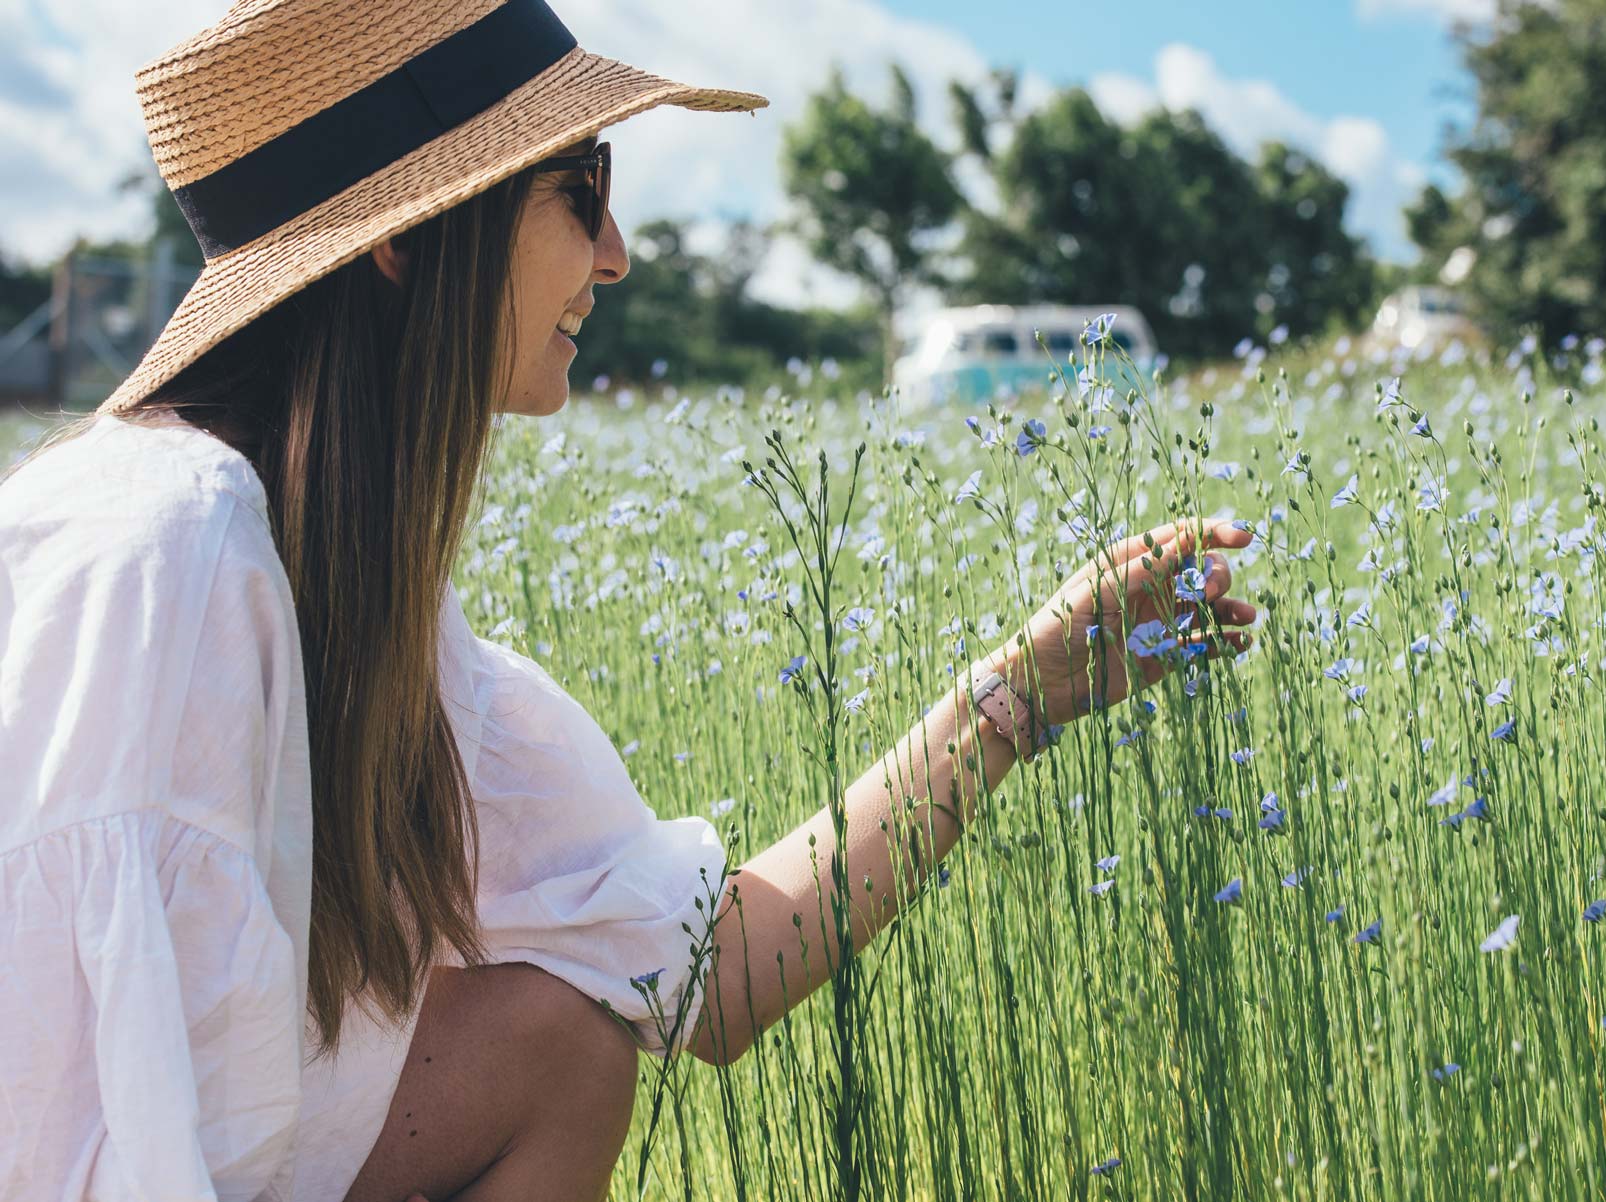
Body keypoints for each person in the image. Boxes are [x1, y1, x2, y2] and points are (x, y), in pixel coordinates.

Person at [0, 0, 1258, 1198]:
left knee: (557, 1044)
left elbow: (710, 969)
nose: (616, 251)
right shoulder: (169, 560)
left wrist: (1015, 702)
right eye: (580, 187)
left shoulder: (366, 606)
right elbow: (71, 1130)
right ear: (403, 233)